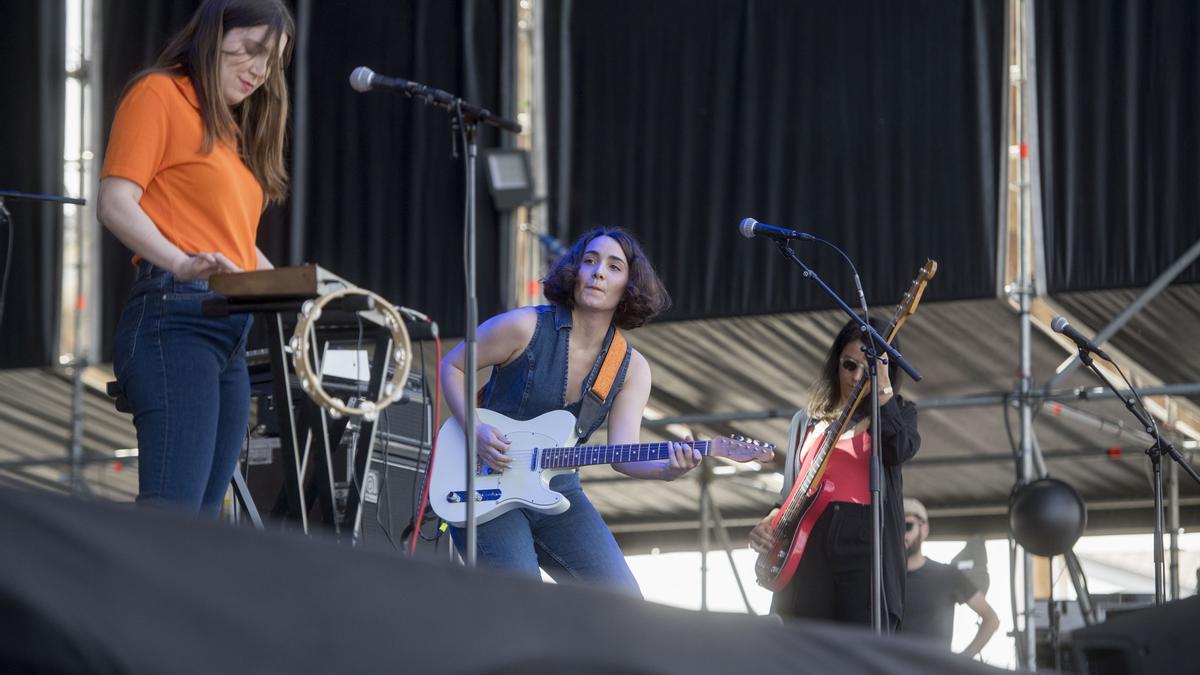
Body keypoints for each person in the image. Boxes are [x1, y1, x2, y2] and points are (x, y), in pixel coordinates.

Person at [97, 0, 294, 516]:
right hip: (175, 317)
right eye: (252, 50)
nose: (260, 70)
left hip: (231, 333)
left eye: (272, 62)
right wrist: (181, 262)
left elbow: (235, 245)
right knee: (173, 516)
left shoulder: (229, 134)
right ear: (213, 34)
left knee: (202, 526)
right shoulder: (159, 93)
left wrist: (314, 292)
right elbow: (116, 202)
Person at [439, 227, 699, 594]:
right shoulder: (524, 326)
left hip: (560, 488)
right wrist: (476, 430)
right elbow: (452, 366)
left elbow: (623, 454)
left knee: (624, 603)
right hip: (482, 483)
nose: (598, 272)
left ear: (629, 285)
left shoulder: (631, 367)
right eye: (590, 261)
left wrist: (666, 471)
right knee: (522, 603)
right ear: (574, 272)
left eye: (613, 266)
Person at [748, 317, 920, 630]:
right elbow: (790, 493)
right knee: (805, 646)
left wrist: (881, 380)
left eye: (864, 367)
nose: (856, 376)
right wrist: (768, 520)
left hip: (864, 540)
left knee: (858, 652)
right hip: (807, 540)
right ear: (835, 365)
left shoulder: (898, 413)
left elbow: (900, 449)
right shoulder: (806, 421)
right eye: (849, 365)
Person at [902, 498, 1000, 657]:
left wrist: (964, 659)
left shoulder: (947, 575)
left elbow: (991, 619)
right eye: (895, 526)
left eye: (907, 526)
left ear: (924, 529)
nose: (901, 534)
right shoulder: (879, 577)